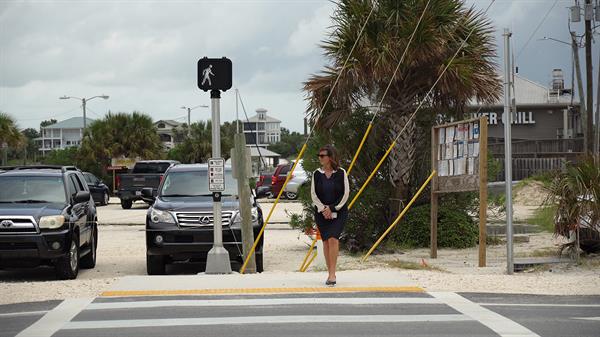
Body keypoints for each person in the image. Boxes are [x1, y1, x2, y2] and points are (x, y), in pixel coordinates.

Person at [310, 144, 350, 286]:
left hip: (339, 212)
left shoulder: (341, 173)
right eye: (318, 156)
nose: (319, 158)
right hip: (321, 213)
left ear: (330, 157)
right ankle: (329, 272)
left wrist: (332, 208)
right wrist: (324, 209)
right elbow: (314, 195)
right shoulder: (316, 174)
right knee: (326, 241)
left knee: (333, 239)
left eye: (322, 156)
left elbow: (345, 194)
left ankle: (333, 274)